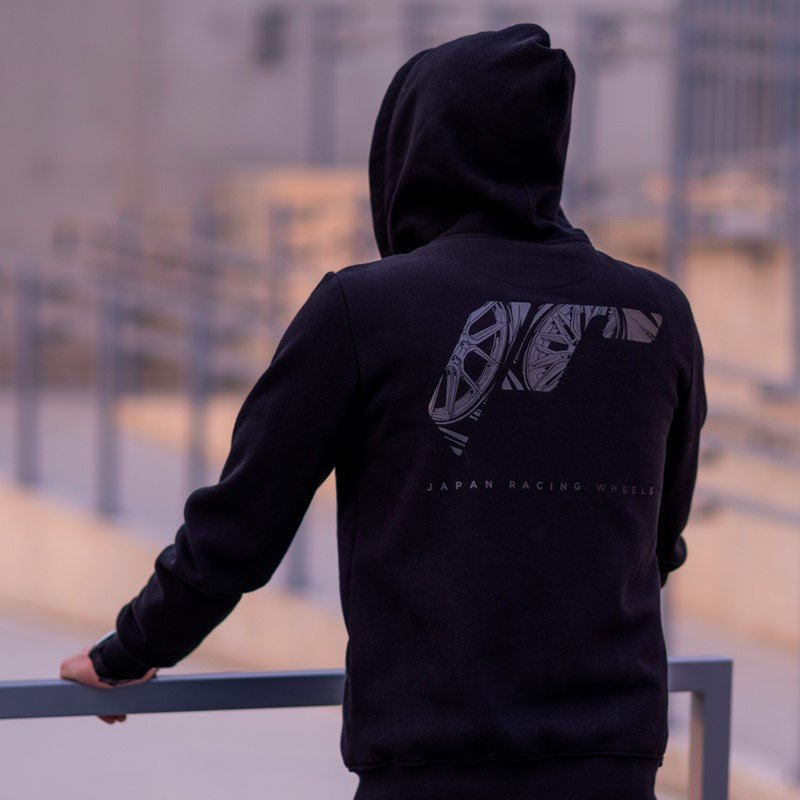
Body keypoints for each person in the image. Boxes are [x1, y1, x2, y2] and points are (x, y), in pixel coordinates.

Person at [60, 22, 707, 800]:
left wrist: (131, 650)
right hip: (611, 764)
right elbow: (658, 539)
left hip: (431, 764)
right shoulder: (659, 313)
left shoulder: (364, 310)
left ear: (417, 149)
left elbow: (240, 528)